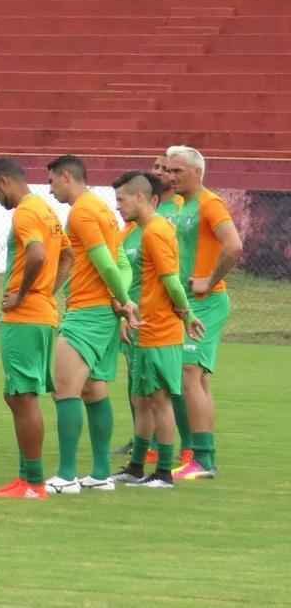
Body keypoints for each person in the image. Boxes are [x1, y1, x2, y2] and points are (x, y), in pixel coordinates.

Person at [45, 154, 138, 495]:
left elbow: (104, 262)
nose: (50, 188)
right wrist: (121, 297)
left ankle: (66, 475)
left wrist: (123, 300)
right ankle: (100, 473)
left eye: (52, 180)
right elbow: (122, 262)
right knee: (93, 390)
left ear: (67, 177)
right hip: (103, 312)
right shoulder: (103, 210)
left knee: (64, 389)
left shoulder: (82, 212)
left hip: (87, 312)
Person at [111, 171, 205, 488]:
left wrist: (187, 315)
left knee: (159, 400)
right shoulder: (145, 230)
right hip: (144, 327)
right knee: (142, 400)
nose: (118, 207)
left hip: (160, 330)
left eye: (121, 200)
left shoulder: (156, 232)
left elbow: (171, 281)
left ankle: (163, 472)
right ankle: (137, 466)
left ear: (140, 197)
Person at [0, 158, 70, 500]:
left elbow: (36, 254)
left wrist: (23, 294)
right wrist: (48, 292)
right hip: (42, 313)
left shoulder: (25, 212)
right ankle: (27, 477)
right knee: (16, 394)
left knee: (23, 396)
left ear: (4, 181)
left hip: (25, 317)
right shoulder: (46, 210)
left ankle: (33, 482)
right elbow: (67, 256)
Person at [167, 145, 242, 480]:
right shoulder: (185, 205)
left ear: (197, 172)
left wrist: (210, 281)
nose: (170, 177)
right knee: (197, 378)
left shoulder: (211, 203)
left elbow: (234, 245)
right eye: (168, 171)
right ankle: (202, 457)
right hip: (189, 302)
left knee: (188, 374)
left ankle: (204, 459)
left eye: (177, 171)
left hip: (207, 302)